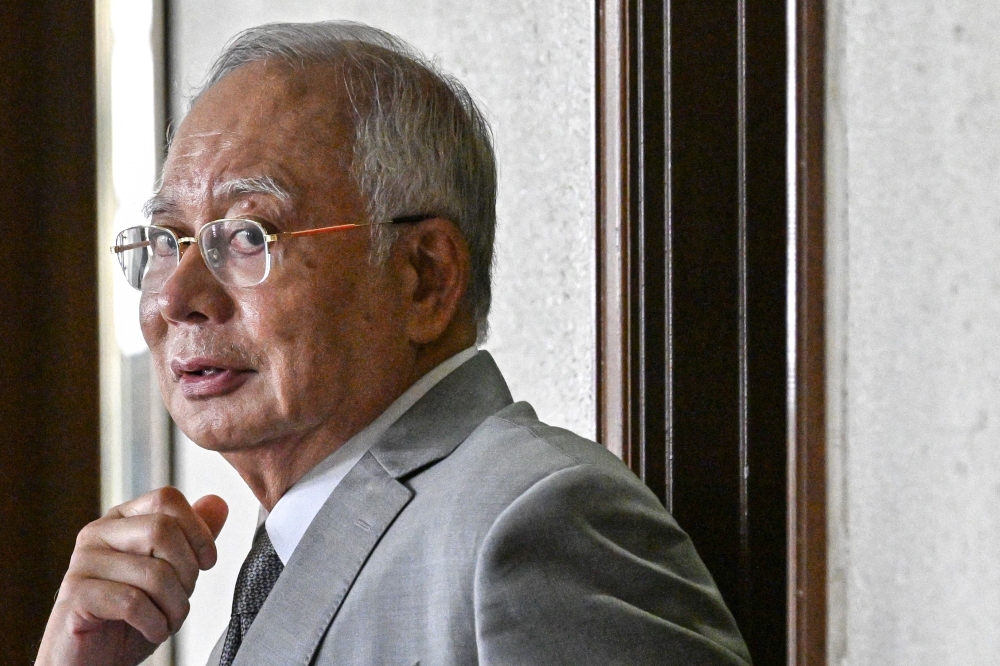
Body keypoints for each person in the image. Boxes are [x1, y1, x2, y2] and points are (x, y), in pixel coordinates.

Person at [37, 21, 751, 666]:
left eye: (249, 235)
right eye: (168, 240)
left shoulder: (535, 523)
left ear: (424, 278)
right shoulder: (289, 548)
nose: (173, 297)